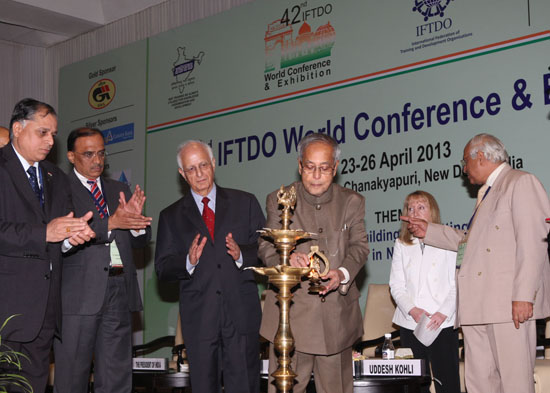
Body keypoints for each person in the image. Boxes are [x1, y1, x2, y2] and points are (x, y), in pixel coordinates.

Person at [403, 133, 550, 393]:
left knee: (515, 384)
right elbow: (471, 243)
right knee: (479, 385)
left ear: (479, 157)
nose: (463, 170)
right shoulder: (487, 193)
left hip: (508, 307)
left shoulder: (520, 182)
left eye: (465, 162)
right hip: (477, 308)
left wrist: (524, 296)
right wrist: (430, 231)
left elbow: (533, 242)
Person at [259, 133, 370, 393]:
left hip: (336, 319)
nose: (316, 175)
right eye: (310, 167)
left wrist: (342, 274)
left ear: (336, 168)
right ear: (299, 166)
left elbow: (360, 247)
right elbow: (265, 246)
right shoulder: (280, 198)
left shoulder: (352, 202)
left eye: (324, 168)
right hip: (290, 319)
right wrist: (287, 260)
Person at [155, 140, 265, 393]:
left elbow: (265, 250)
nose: (200, 173)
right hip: (199, 318)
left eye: (203, 165)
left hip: (241, 314)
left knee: (245, 387)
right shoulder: (170, 216)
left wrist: (241, 255)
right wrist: (188, 262)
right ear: (182, 174)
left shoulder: (244, 202)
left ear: (213, 164)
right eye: (191, 169)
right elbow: (162, 268)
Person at [0, 98, 95, 392]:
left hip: (43, 314)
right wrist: (45, 233)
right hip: (6, 310)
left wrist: (69, 239)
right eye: (42, 132)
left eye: (53, 134)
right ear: (17, 128)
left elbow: (57, 237)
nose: (50, 141)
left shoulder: (55, 176)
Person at [53, 127, 152, 393]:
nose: (97, 161)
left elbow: (140, 241)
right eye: (88, 154)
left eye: (101, 153)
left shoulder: (118, 187)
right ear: (72, 156)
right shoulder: (59, 188)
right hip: (77, 295)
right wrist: (112, 222)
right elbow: (67, 233)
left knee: (117, 377)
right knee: (72, 378)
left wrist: (136, 225)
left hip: (119, 289)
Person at [389, 191, 460, 393]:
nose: (415, 212)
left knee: (447, 382)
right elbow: (396, 285)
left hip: (443, 323)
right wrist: (412, 310)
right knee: (415, 384)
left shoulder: (448, 240)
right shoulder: (402, 243)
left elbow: (457, 283)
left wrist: (443, 312)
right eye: (410, 208)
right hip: (411, 322)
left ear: (433, 212)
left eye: (421, 207)